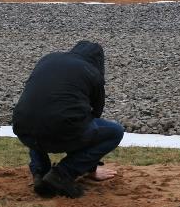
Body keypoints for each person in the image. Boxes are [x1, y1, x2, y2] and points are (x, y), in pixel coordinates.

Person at [12, 40, 125, 198]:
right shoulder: (93, 72)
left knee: (38, 116)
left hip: (23, 128)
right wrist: (91, 167)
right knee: (115, 131)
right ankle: (62, 174)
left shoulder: (48, 59)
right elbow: (94, 115)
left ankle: (40, 172)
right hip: (61, 131)